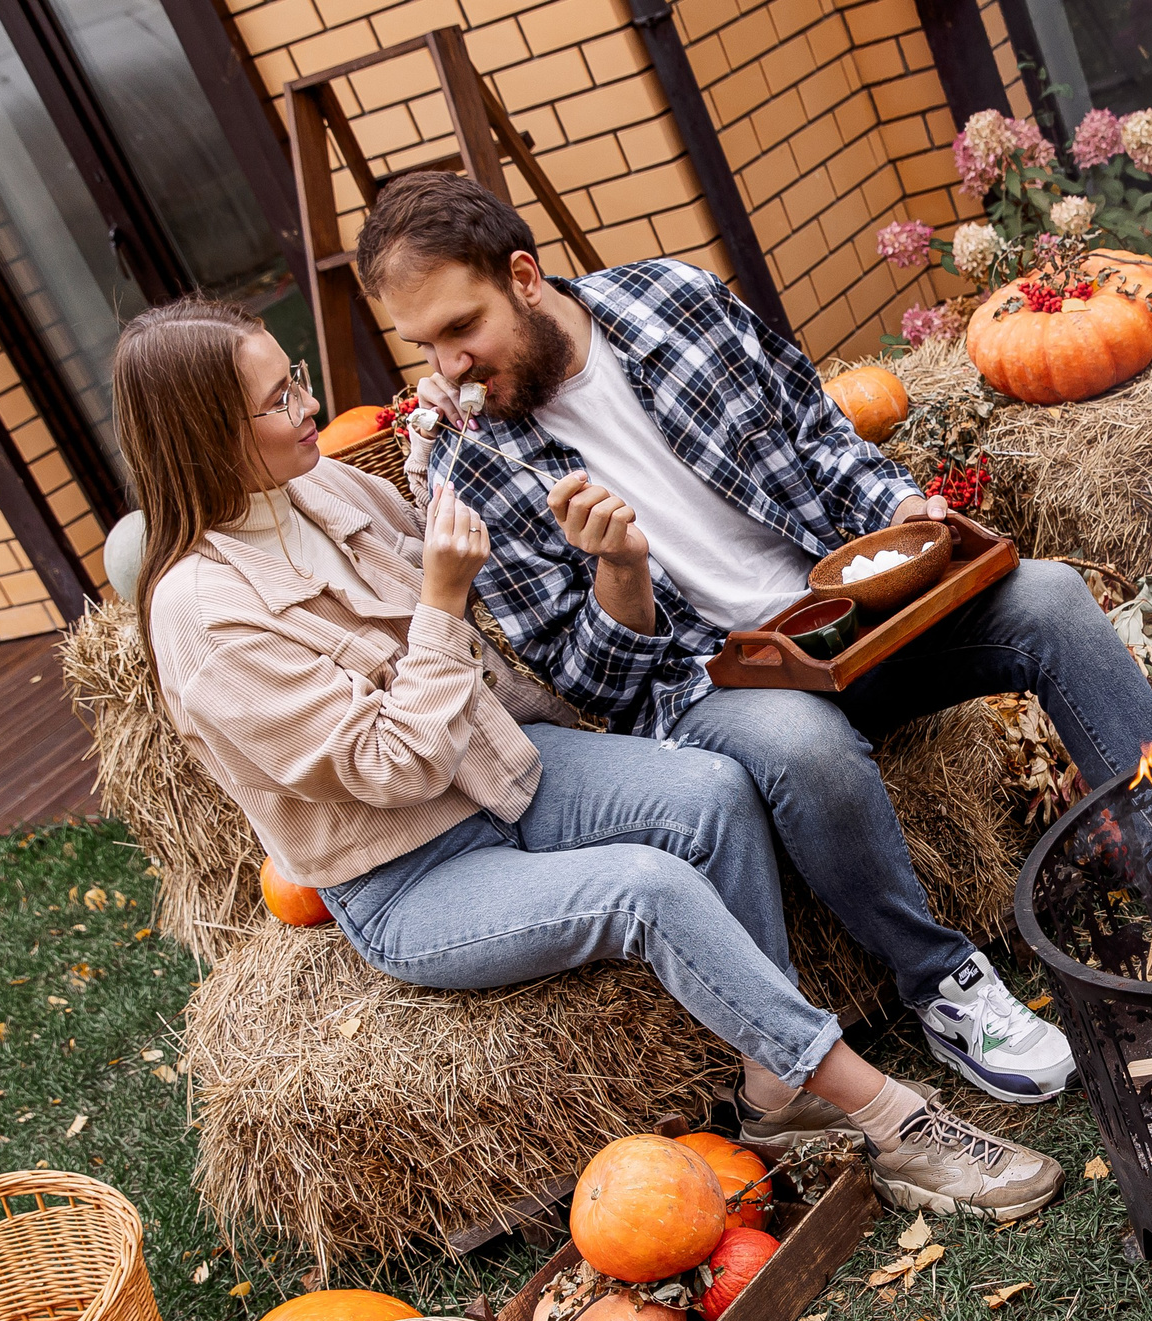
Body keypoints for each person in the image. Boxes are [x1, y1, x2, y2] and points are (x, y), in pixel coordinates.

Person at [116, 297, 1061, 1221]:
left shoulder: (313, 485)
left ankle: (775, 1089)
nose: (309, 406)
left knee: (715, 791)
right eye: (280, 399)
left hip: (505, 770)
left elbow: (437, 540)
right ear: (207, 438)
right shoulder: (201, 617)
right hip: (413, 868)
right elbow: (391, 766)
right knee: (645, 889)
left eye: (299, 381)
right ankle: (893, 1120)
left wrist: (456, 465)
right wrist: (441, 602)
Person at [351, 173, 1152, 1111]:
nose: (448, 368)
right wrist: (619, 574)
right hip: (714, 682)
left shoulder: (679, 302)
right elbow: (593, 686)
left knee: (1053, 598)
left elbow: (821, 439)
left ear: (525, 276)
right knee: (802, 745)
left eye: (463, 329)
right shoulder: (472, 468)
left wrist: (901, 511)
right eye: (424, 346)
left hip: (850, 616)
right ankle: (943, 984)